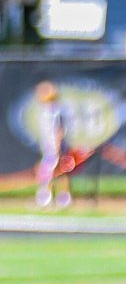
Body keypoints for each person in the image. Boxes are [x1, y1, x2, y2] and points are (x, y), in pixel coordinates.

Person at [30, 82, 72, 210]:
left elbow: (58, 130)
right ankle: (59, 197)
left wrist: (57, 147)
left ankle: (50, 197)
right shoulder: (46, 109)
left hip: (54, 146)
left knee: (51, 171)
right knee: (53, 171)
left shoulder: (54, 110)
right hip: (49, 145)